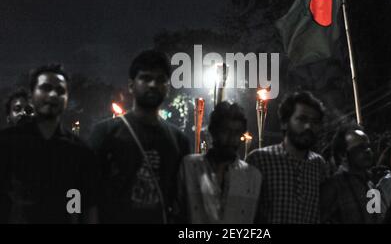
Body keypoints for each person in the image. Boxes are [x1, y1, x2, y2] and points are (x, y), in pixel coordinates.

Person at [88, 49, 191, 223]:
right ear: (131, 85)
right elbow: (88, 193)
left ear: (168, 87)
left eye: (160, 80)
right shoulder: (105, 133)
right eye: (145, 78)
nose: (153, 84)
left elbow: (181, 200)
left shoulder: (179, 141)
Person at [0, 65, 99, 223]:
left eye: (60, 90)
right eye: (45, 88)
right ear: (32, 96)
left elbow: (85, 207)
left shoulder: (80, 152)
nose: (53, 94)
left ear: (67, 98)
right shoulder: (6, 144)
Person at [246, 91, 328, 223]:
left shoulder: (319, 165)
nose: (309, 127)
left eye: (315, 122)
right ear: (285, 123)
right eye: (302, 119)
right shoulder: (260, 159)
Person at [176, 101, 262, 224]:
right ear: (214, 132)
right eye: (225, 131)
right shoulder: (190, 167)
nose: (231, 138)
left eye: (237, 133)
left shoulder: (252, 177)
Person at [320, 125, 382, 224]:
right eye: (360, 147)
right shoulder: (333, 187)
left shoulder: (371, 182)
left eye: (368, 146)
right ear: (343, 154)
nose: (368, 151)